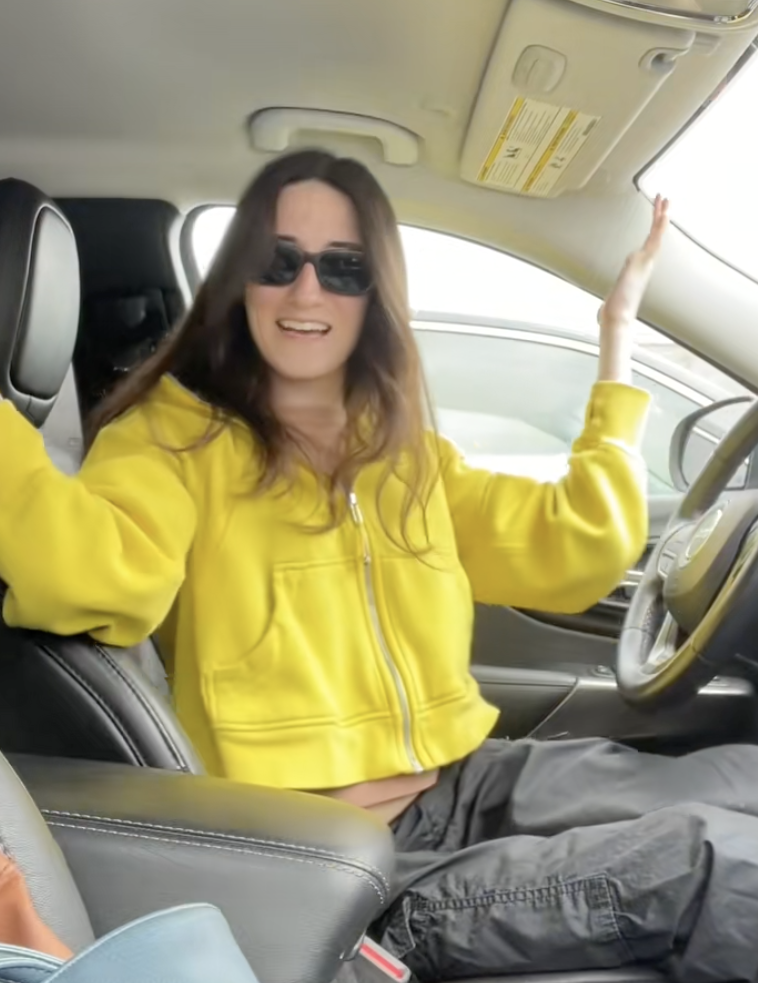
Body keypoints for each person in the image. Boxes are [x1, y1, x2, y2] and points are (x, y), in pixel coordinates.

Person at [2, 149, 758, 983]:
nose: (307, 291)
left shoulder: (401, 452)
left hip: (459, 784)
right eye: (277, 261)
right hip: (348, 866)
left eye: (343, 268)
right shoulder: (174, 438)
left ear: (376, 293)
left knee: (741, 777)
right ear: (239, 281)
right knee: (711, 859)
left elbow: (573, 547)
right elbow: (95, 574)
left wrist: (617, 341)